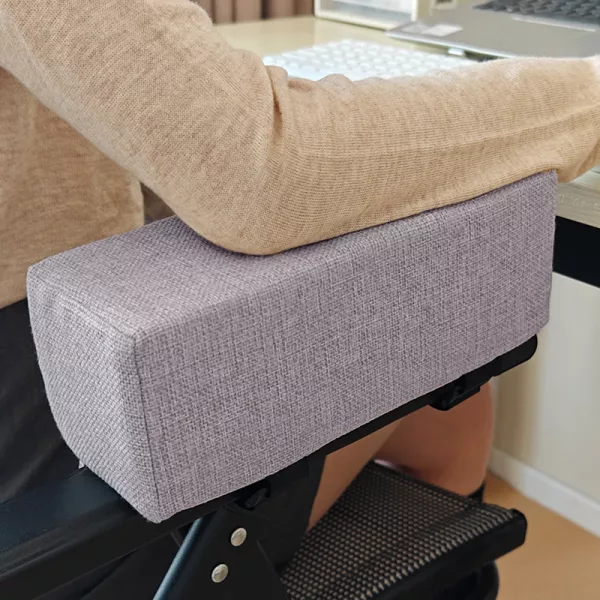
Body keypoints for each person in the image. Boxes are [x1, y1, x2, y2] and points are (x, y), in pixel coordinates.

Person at [2, 0, 600, 597]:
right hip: (56, 499)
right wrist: (587, 93)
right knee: (452, 372)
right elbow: (259, 165)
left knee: (452, 397)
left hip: (42, 390)